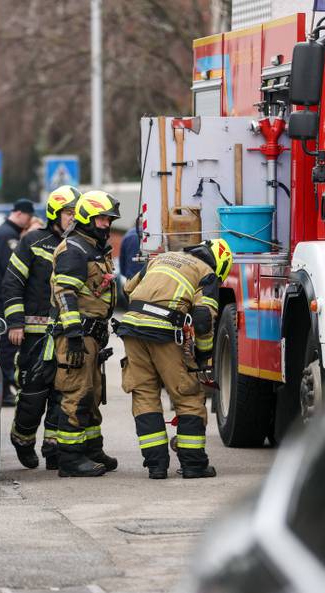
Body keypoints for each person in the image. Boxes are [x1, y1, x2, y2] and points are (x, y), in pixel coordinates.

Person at [116, 239, 233, 479]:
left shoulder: (160, 258)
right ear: (220, 265)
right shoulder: (207, 274)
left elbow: (128, 288)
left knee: (145, 395)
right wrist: (203, 358)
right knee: (187, 395)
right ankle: (193, 465)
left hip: (132, 328)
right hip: (164, 332)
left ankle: (156, 466)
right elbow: (202, 319)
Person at [2, 186, 80, 470]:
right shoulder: (33, 241)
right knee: (33, 394)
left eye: (75, 212)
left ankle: (53, 447)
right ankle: (22, 439)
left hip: (66, 334)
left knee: (63, 393)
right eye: (69, 212)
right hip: (34, 334)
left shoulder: (79, 246)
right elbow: (12, 282)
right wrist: (15, 322)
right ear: (55, 213)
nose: (73, 218)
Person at [50, 190, 120, 477]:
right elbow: (64, 293)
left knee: (92, 394)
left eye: (108, 219)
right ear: (87, 218)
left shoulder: (95, 249)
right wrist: (75, 335)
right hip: (75, 336)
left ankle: (92, 448)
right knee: (76, 394)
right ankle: (70, 459)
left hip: (93, 334)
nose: (106, 224)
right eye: (102, 219)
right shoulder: (74, 249)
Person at [0, 198, 34, 406]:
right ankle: (4, 387)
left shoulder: (5, 231)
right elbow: (13, 269)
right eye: (29, 217)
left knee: (7, 342)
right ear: (20, 213)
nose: (29, 221)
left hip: (0, 293)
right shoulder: (8, 235)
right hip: (5, 295)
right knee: (8, 342)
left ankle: (5, 386)